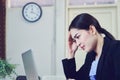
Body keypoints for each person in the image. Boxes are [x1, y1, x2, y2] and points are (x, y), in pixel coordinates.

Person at [62, 13, 120, 80]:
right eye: (75, 40)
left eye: (78, 37)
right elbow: (73, 78)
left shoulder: (116, 49)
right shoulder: (90, 56)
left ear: (92, 30)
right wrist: (71, 52)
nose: (77, 43)